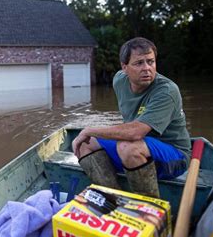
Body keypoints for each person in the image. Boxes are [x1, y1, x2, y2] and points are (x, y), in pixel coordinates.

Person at [72, 37, 191, 198]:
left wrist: (90, 129)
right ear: (125, 67)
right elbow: (130, 127)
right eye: (139, 63)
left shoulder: (167, 91)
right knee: (83, 144)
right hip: (138, 147)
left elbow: (135, 132)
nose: (147, 68)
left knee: (128, 147)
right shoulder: (119, 81)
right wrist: (89, 135)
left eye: (151, 62)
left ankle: (149, 207)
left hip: (173, 156)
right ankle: (114, 199)